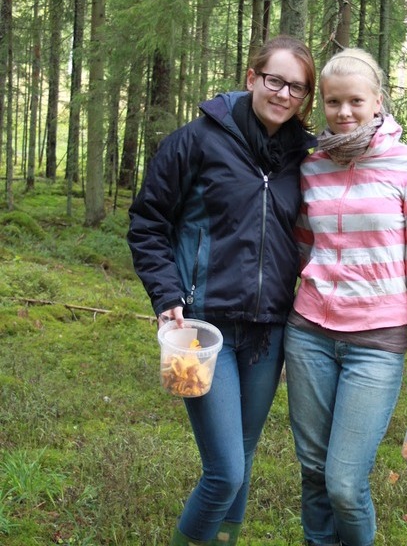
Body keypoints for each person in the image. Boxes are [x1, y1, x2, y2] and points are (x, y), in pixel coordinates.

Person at [127, 35, 317, 546]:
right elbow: (147, 222)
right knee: (225, 470)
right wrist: (166, 294)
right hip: (199, 331)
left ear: (305, 97)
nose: (283, 94)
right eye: (274, 80)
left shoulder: (305, 157)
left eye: (296, 87)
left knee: (246, 452)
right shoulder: (196, 140)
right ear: (252, 78)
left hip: (267, 332)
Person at [284, 47, 407, 546]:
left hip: (375, 344)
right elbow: (299, 246)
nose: (343, 112)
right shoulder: (313, 165)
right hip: (309, 335)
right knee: (313, 471)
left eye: (355, 101)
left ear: (377, 101)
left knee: (343, 482)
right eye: (333, 102)